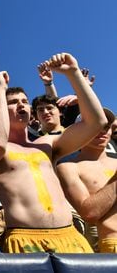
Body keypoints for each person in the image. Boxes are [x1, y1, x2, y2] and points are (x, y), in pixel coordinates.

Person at [0, 53, 107, 253]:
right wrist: (0, 89)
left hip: (70, 237)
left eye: (24, 101)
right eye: (13, 102)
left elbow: (96, 123)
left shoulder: (46, 144)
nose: (21, 104)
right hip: (25, 240)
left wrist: (73, 74)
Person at [57, 108, 117, 253]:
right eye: (96, 126)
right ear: (81, 130)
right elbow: (89, 213)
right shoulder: (69, 168)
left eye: (107, 127)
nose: (103, 131)